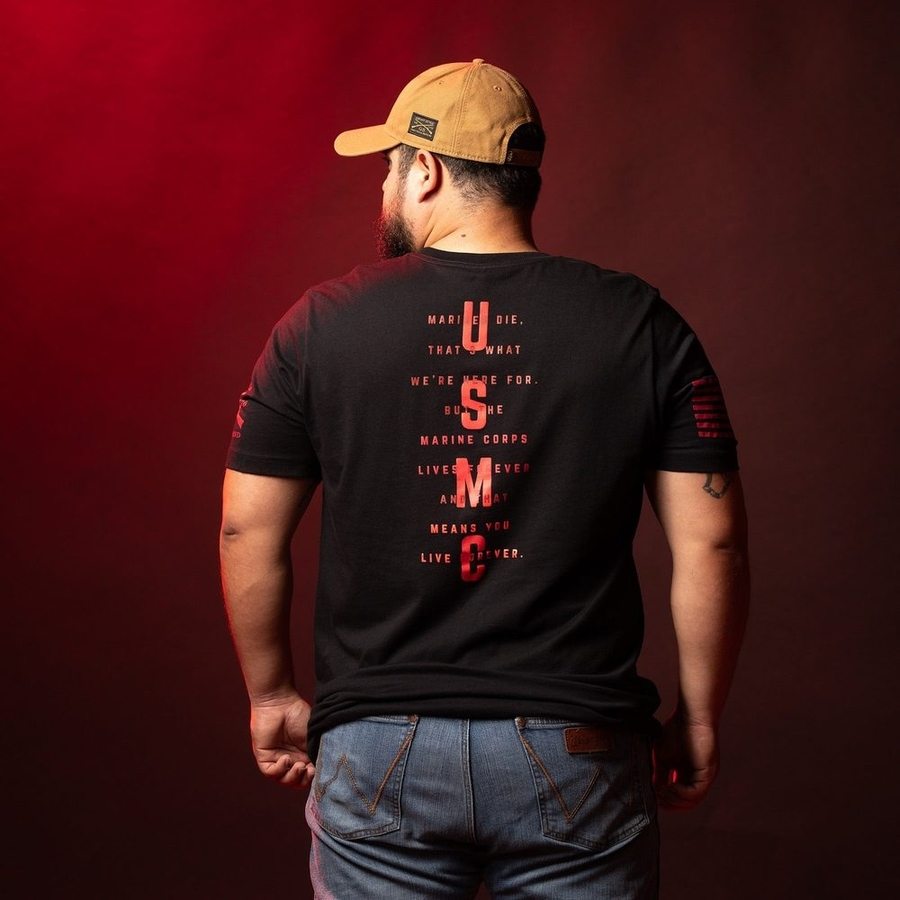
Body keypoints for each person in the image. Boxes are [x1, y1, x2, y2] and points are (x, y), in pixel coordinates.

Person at [220, 59, 749, 899]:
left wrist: (270, 693)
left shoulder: (318, 326)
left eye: (389, 167)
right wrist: (700, 713)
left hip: (379, 744)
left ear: (426, 170)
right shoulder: (639, 322)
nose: (384, 188)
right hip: (577, 747)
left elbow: (246, 526)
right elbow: (711, 538)